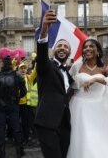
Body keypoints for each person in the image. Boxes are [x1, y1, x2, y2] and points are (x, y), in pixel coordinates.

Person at [34, 9, 74, 158]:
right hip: (47, 122)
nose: (62, 48)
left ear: (69, 52)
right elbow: (42, 54)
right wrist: (44, 31)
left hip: (64, 122)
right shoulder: (46, 66)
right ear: (54, 50)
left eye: (65, 47)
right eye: (59, 46)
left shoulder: (69, 73)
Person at [0, 53, 27, 158]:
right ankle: (20, 151)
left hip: (0, 106)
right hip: (13, 105)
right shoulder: (16, 75)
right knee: (16, 128)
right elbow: (24, 92)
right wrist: (16, 99)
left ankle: (1, 153)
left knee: (0, 129)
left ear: (3, 64)